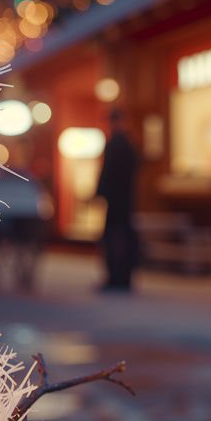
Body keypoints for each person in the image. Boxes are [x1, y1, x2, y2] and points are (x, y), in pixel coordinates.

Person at [95, 109, 139, 292]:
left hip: (116, 200)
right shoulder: (129, 144)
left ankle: (116, 277)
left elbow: (107, 172)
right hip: (126, 199)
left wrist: (99, 192)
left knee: (114, 237)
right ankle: (122, 277)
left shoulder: (115, 143)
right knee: (122, 236)